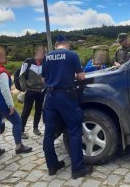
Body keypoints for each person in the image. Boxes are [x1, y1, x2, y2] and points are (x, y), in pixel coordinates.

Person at [42, 35, 93, 178]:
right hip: (66, 96)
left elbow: (43, 79)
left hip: (50, 97)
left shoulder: (48, 57)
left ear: (57, 44)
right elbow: (82, 77)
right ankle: (77, 169)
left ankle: (52, 166)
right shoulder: (72, 55)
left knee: (49, 133)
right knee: (74, 130)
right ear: (67, 44)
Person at [0, 46, 32, 158]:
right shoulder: (1, 72)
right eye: (3, 56)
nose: (5, 58)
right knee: (17, 122)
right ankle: (19, 147)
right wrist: (11, 105)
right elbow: (5, 91)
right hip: (2, 104)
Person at [19, 46, 45, 139]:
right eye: (41, 52)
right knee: (26, 111)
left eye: (43, 52)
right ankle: (21, 130)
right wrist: (25, 89)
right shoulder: (28, 62)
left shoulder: (45, 63)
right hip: (29, 91)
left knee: (38, 110)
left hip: (41, 91)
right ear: (36, 53)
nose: (43, 54)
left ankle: (36, 128)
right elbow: (21, 76)